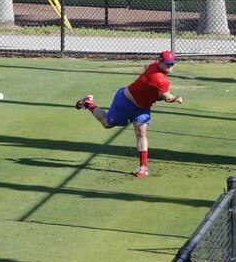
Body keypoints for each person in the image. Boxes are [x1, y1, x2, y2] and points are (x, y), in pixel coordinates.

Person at [75, 50, 183, 178]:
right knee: (107, 123)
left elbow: (146, 66)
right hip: (125, 102)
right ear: (160, 62)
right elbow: (168, 98)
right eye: (168, 64)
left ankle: (143, 167)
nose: (170, 67)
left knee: (141, 132)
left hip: (142, 108)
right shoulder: (160, 79)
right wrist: (177, 98)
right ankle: (87, 103)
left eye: (172, 64)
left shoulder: (155, 66)